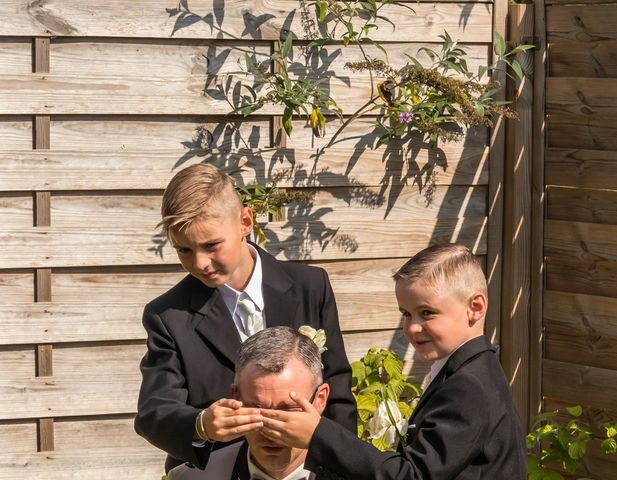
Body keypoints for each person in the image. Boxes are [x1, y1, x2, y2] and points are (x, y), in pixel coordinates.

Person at [134, 164, 356, 475]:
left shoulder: (310, 286)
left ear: (245, 222)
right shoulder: (168, 315)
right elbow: (153, 412)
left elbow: (338, 390)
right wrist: (201, 425)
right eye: (183, 250)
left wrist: (339, 467)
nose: (199, 263)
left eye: (211, 245)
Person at [259, 244, 528, 479]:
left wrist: (319, 434)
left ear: (476, 307)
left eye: (427, 313)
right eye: (406, 314)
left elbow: (412, 475)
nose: (412, 328)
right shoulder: (470, 371)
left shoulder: (469, 387)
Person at [168, 326, 330, 480]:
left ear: (320, 400)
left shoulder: (352, 473)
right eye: (257, 409)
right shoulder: (188, 477)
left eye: (287, 410)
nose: (270, 431)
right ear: (236, 397)